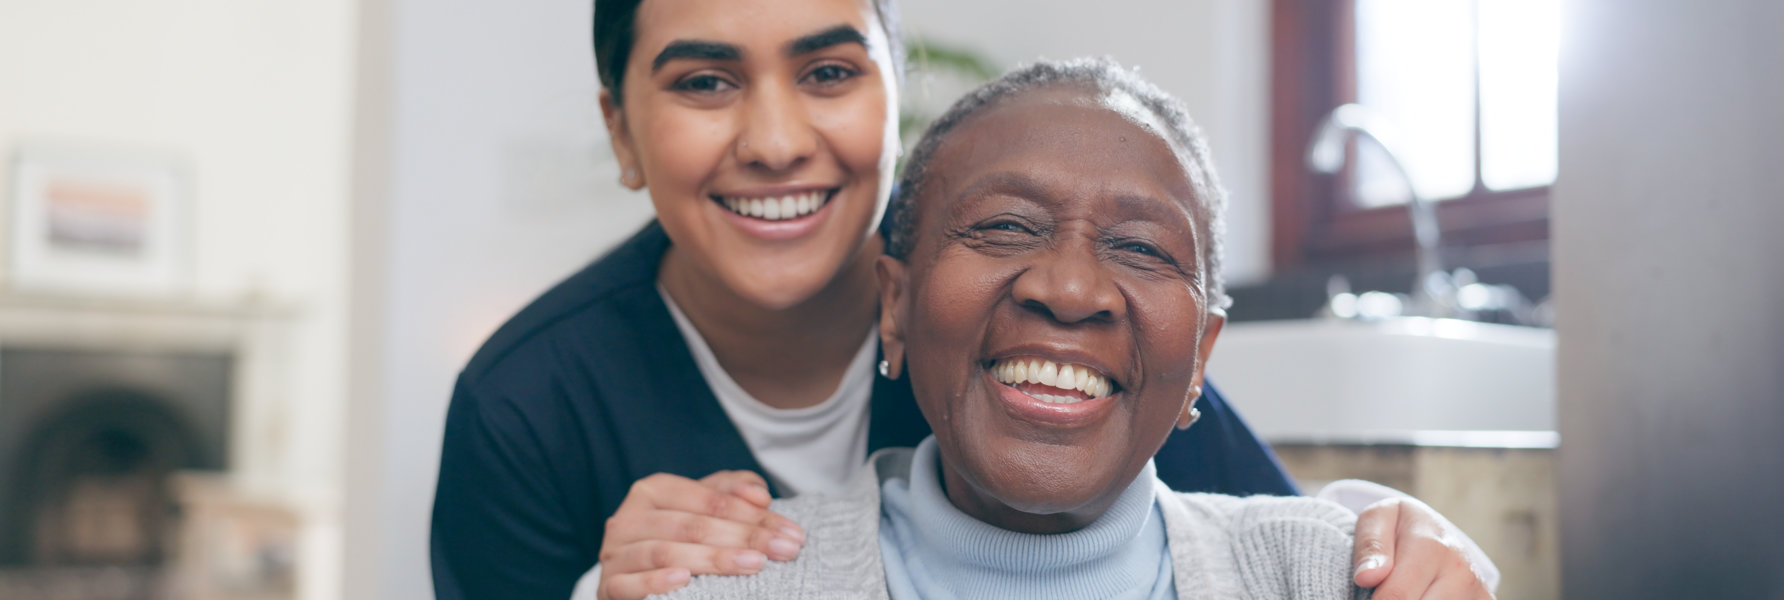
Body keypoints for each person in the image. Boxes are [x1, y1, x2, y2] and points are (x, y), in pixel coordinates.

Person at [429, 0, 1495, 598]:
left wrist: (1387, 534)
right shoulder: (529, 402)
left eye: (830, 74)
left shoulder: (1039, 315)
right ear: (622, 133)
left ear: (898, 98)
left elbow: (1258, 530)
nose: (775, 139)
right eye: (704, 82)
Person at [662, 57, 1371, 600]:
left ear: (1200, 357)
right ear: (895, 308)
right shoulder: (711, 583)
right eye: (1004, 227)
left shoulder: (1342, 578)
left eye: (1143, 248)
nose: (1069, 290)